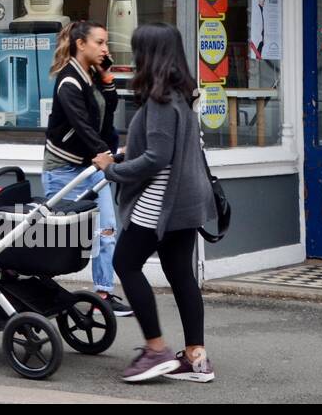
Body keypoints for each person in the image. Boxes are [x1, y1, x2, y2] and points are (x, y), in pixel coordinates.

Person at [96, 23, 218, 383]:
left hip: (161, 200)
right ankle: (196, 359)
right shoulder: (182, 91)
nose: (133, 58)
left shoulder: (161, 98)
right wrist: (126, 154)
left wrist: (112, 170)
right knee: (180, 272)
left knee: (125, 262)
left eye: (137, 51)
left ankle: (155, 351)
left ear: (149, 54)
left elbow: (156, 158)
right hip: (186, 200)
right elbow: (161, 149)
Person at [42, 19, 131, 316]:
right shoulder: (69, 80)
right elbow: (81, 126)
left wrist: (107, 79)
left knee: (107, 230)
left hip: (90, 167)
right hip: (64, 170)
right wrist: (104, 154)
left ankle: (103, 293)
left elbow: (105, 117)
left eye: (106, 43)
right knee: (60, 240)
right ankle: (33, 284)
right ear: (81, 44)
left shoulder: (91, 76)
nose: (105, 48)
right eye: (100, 43)